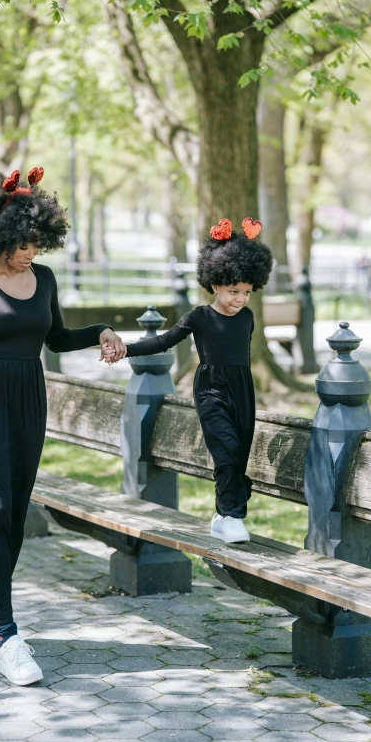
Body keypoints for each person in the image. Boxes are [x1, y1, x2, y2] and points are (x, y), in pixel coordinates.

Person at [0, 167, 125, 686]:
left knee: (16, 514)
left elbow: (58, 338)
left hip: (28, 403)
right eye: (22, 243)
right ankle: (8, 633)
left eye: (37, 242)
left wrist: (103, 331)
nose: (31, 252)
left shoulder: (43, 279)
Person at [103, 216, 273, 544]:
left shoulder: (248, 318)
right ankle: (233, 516)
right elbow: (163, 341)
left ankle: (224, 515)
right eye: (233, 290)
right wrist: (126, 350)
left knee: (239, 453)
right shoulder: (200, 316)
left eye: (247, 292)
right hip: (211, 389)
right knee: (225, 451)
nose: (240, 299)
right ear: (215, 283)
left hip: (243, 390)